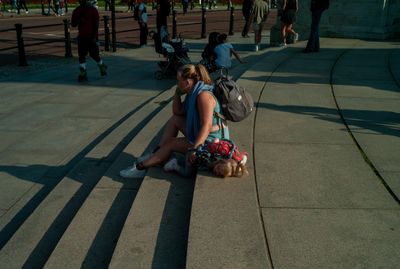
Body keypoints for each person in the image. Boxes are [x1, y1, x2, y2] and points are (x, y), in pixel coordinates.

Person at [120, 63, 229, 179]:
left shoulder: (203, 96)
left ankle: (140, 168)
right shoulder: (193, 92)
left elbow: (206, 126)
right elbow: (177, 112)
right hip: (206, 135)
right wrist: (177, 92)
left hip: (214, 142)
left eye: (178, 80)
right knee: (175, 120)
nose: (176, 83)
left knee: (171, 143)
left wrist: (194, 148)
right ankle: (156, 154)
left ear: (187, 82)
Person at [163, 137, 248, 178]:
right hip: (194, 154)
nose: (216, 171)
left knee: (186, 164)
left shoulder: (227, 164)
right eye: (218, 169)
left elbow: (241, 158)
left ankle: (173, 157)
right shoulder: (212, 157)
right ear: (221, 161)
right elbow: (244, 156)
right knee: (186, 173)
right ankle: (174, 165)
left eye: (220, 174)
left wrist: (239, 167)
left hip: (197, 158)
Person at [71, 0, 107, 82]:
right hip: (83, 36)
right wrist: (80, 20)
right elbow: (73, 24)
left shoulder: (91, 10)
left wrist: (94, 36)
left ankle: (101, 66)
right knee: (82, 55)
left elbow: (96, 24)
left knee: (93, 54)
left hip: (90, 36)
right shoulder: (79, 10)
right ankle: (84, 72)